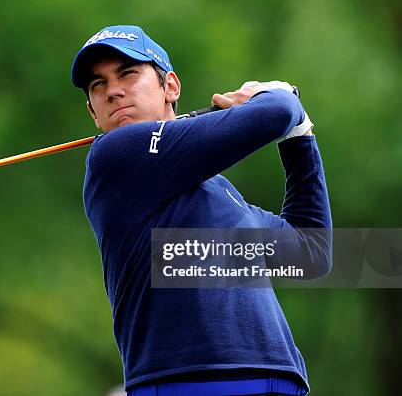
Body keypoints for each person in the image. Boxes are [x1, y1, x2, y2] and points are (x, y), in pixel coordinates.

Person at [71, 25, 332, 396]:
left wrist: (299, 137)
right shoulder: (113, 158)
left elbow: (311, 253)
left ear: (170, 87)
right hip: (187, 381)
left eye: (128, 73)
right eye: (98, 85)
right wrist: (277, 96)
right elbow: (277, 111)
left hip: (278, 379)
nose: (113, 90)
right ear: (94, 113)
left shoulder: (223, 194)